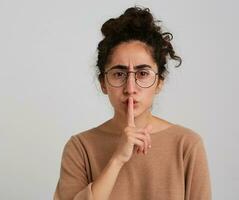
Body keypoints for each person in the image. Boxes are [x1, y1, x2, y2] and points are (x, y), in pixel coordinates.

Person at [54, 6, 211, 200]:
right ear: (103, 83)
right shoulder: (80, 147)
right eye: (119, 74)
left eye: (143, 73)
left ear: (159, 82)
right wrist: (117, 159)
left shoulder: (186, 144)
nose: (130, 88)